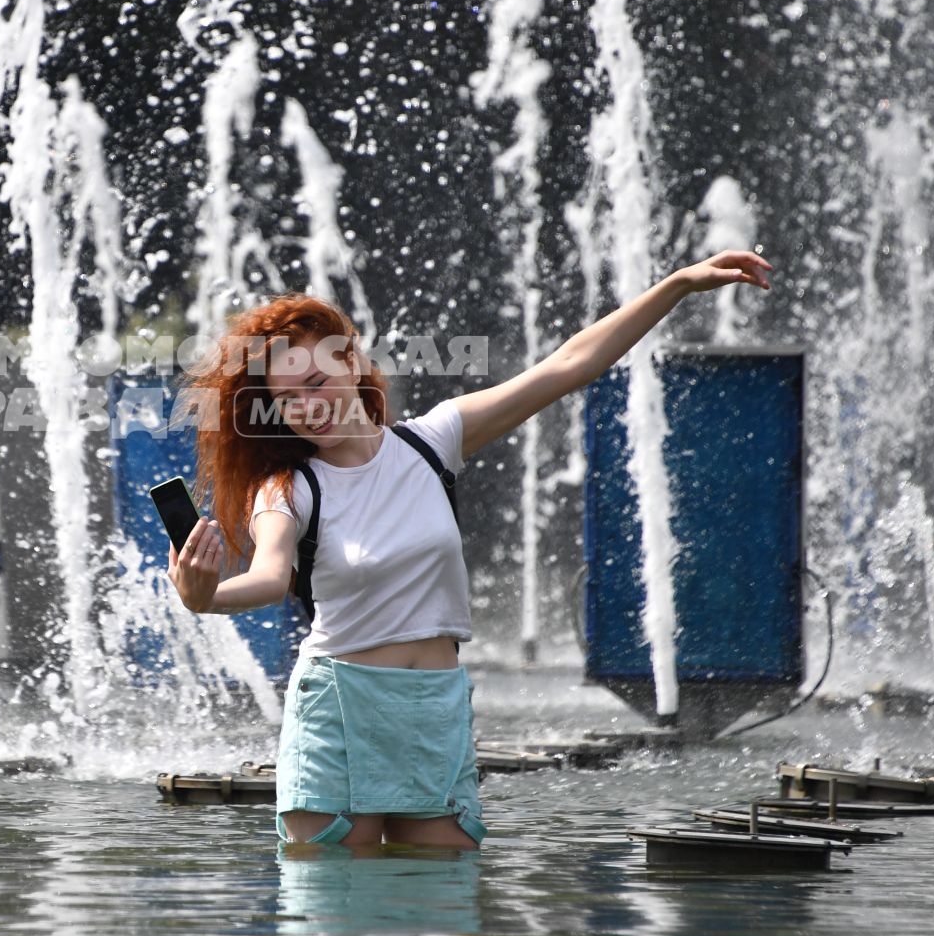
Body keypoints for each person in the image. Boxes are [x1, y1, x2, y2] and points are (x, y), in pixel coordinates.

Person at [166, 249, 773, 848]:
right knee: (333, 908)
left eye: (318, 382)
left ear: (352, 364)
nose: (307, 406)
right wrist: (206, 595)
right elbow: (270, 577)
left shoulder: (433, 442)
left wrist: (677, 285)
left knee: (442, 909)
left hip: (435, 708)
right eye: (289, 399)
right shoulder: (290, 488)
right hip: (339, 711)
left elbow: (567, 366)